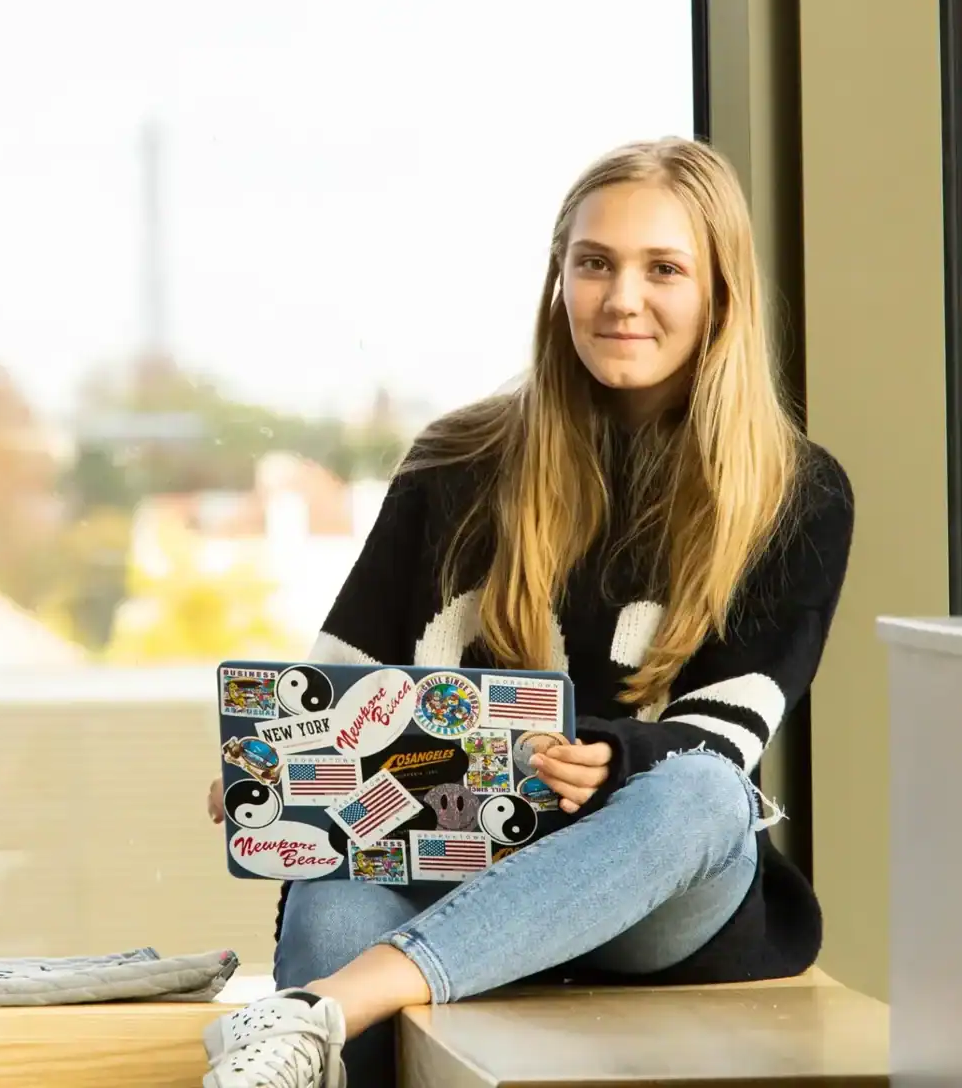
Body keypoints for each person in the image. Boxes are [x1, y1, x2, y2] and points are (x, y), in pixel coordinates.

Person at [201, 137, 855, 1088]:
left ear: (721, 291)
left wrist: (614, 759)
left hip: (656, 897)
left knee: (708, 794)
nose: (621, 298)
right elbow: (339, 683)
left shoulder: (795, 491)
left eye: (663, 269)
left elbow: (728, 734)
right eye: (593, 264)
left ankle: (326, 1009)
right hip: (452, 857)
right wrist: (275, 762)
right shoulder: (453, 463)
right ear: (560, 282)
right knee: (335, 894)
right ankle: (324, 1018)